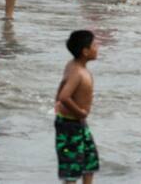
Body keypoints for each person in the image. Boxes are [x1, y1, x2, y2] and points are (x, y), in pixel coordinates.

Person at [54, 30, 99, 184]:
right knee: (71, 168)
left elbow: (62, 84)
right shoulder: (78, 73)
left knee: (90, 162)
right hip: (70, 125)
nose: (98, 47)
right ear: (85, 51)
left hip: (78, 124)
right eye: (94, 44)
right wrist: (80, 112)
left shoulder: (72, 66)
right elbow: (64, 97)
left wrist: (56, 101)